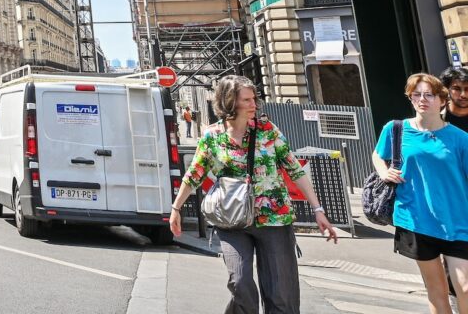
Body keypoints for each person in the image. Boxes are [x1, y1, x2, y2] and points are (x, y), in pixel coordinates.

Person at [171, 75, 337, 313]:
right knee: (240, 283)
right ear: (230, 102)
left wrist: (318, 210)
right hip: (231, 219)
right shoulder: (212, 136)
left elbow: (294, 169)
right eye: (247, 100)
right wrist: (176, 209)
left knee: (282, 294)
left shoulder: (267, 130)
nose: (254, 104)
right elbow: (193, 175)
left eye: (254, 99)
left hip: (275, 218)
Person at [374, 73, 468, 314]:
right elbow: (377, 154)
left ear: (442, 100)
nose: (422, 99)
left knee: (464, 287)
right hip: (415, 219)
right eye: (416, 94)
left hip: (457, 221)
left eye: (429, 94)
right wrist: (384, 172)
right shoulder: (396, 129)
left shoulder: (460, 139)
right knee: (436, 289)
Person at [439, 67, 468, 132]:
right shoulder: (435, 116)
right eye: (456, 89)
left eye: (467, 89)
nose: (463, 95)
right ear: (446, 89)